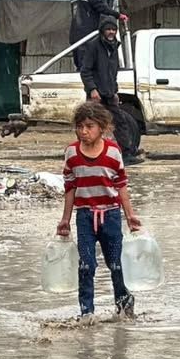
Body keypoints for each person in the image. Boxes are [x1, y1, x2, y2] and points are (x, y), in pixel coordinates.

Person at [57, 102, 142, 324]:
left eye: (89, 126)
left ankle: (124, 307)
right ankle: (87, 312)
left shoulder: (113, 152)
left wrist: (130, 215)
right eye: (80, 127)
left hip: (111, 216)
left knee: (116, 264)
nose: (84, 132)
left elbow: (121, 185)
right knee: (86, 265)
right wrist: (65, 220)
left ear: (101, 128)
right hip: (84, 217)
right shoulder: (72, 153)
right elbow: (70, 187)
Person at [80, 16, 143, 165]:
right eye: (108, 29)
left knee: (120, 121)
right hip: (96, 95)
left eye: (113, 29)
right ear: (102, 31)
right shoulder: (93, 46)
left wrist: (114, 91)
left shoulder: (114, 47)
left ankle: (126, 154)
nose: (111, 32)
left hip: (109, 93)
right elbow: (85, 71)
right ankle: (87, 154)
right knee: (90, 126)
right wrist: (93, 89)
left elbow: (112, 72)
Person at [69, 0, 128, 69]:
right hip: (87, 35)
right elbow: (101, 8)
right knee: (89, 66)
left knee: (80, 65)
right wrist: (118, 15)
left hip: (76, 35)